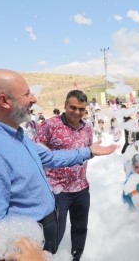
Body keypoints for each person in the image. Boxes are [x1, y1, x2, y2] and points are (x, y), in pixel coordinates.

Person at [0, 69, 117, 255]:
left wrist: (88, 151)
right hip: (25, 249)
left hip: (41, 235)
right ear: (4, 101)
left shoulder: (17, 135)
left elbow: (49, 157)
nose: (33, 99)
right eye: (27, 94)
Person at [34, 89, 103, 260]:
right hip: (57, 191)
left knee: (80, 228)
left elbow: (88, 151)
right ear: (65, 105)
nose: (77, 112)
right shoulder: (50, 125)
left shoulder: (87, 127)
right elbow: (36, 154)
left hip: (81, 188)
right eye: (73, 107)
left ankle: (76, 257)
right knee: (55, 232)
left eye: (81, 109)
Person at [122, 153, 139, 220]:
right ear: (132, 166)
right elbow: (138, 202)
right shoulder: (131, 182)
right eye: (136, 167)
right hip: (132, 206)